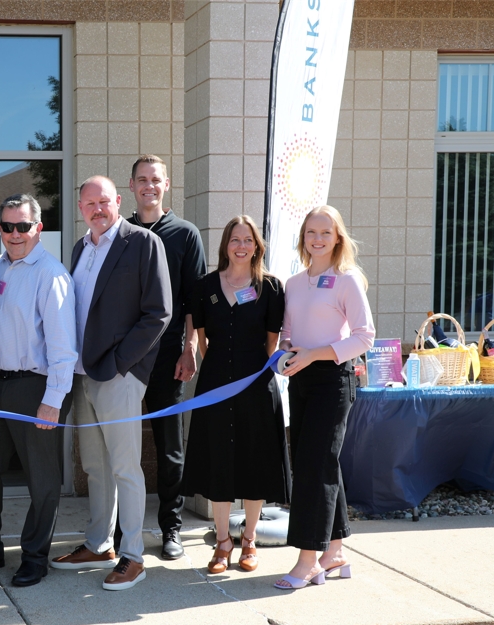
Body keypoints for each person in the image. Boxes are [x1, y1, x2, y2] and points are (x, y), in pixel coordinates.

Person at [50, 176, 171, 591]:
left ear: (118, 201)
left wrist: (123, 365)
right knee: (94, 467)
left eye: (104, 201)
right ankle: (99, 542)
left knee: (124, 467)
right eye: (89, 203)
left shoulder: (141, 243)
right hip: (81, 375)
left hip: (117, 374)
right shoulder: (80, 248)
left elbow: (158, 313)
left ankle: (133, 554)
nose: (97, 209)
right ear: (80, 208)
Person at [0, 194, 77, 588]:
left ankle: (35, 555)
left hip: (36, 387)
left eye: (23, 226)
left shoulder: (51, 274)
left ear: (38, 228)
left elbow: (63, 347)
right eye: (7, 226)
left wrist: (53, 401)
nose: (15, 234)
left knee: (42, 478)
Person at [182, 216, 290, 575]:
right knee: (219, 462)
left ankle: (250, 541)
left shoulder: (271, 288)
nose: (241, 246)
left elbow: (271, 342)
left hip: (256, 386)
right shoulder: (205, 286)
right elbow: (200, 338)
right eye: (234, 240)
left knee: (254, 462)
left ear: (257, 245)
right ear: (225, 245)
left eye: (248, 240)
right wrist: (210, 369)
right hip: (215, 385)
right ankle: (223, 542)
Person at [276, 205, 375, 590]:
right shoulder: (294, 283)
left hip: (334, 379)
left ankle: (308, 560)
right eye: (311, 232)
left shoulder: (348, 280)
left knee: (314, 467)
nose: (317, 239)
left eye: (325, 232)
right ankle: (334, 552)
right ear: (303, 237)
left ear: (338, 238)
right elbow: (289, 331)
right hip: (300, 380)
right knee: (319, 464)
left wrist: (314, 354)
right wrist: (287, 350)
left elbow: (364, 337)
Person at [126, 155, 207, 560]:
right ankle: (121, 534)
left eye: (155, 180)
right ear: (132, 186)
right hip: (124, 360)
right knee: (119, 450)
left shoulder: (185, 234)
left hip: (168, 358)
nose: (149, 186)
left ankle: (171, 528)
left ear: (166, 184)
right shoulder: (119, 234)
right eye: (142, 180)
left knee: (169, 449)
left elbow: (194, 300)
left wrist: (190, 348)